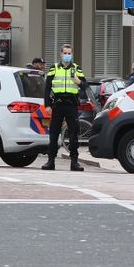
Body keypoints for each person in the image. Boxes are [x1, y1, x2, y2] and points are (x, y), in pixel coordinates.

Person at [42, 44, 85, 172]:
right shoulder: (54, 68)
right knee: (54, 134)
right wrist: (47, 105)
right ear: (61, 54)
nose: (67, 55)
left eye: (69, 53)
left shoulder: (77, 68)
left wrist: (79, 82)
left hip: (71, 105)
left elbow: (85, 87)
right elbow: (47, 88)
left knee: (73, 134)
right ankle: (51, 161)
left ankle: (74, 162)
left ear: (72, 54)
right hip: (58, 104)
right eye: (65, 53)